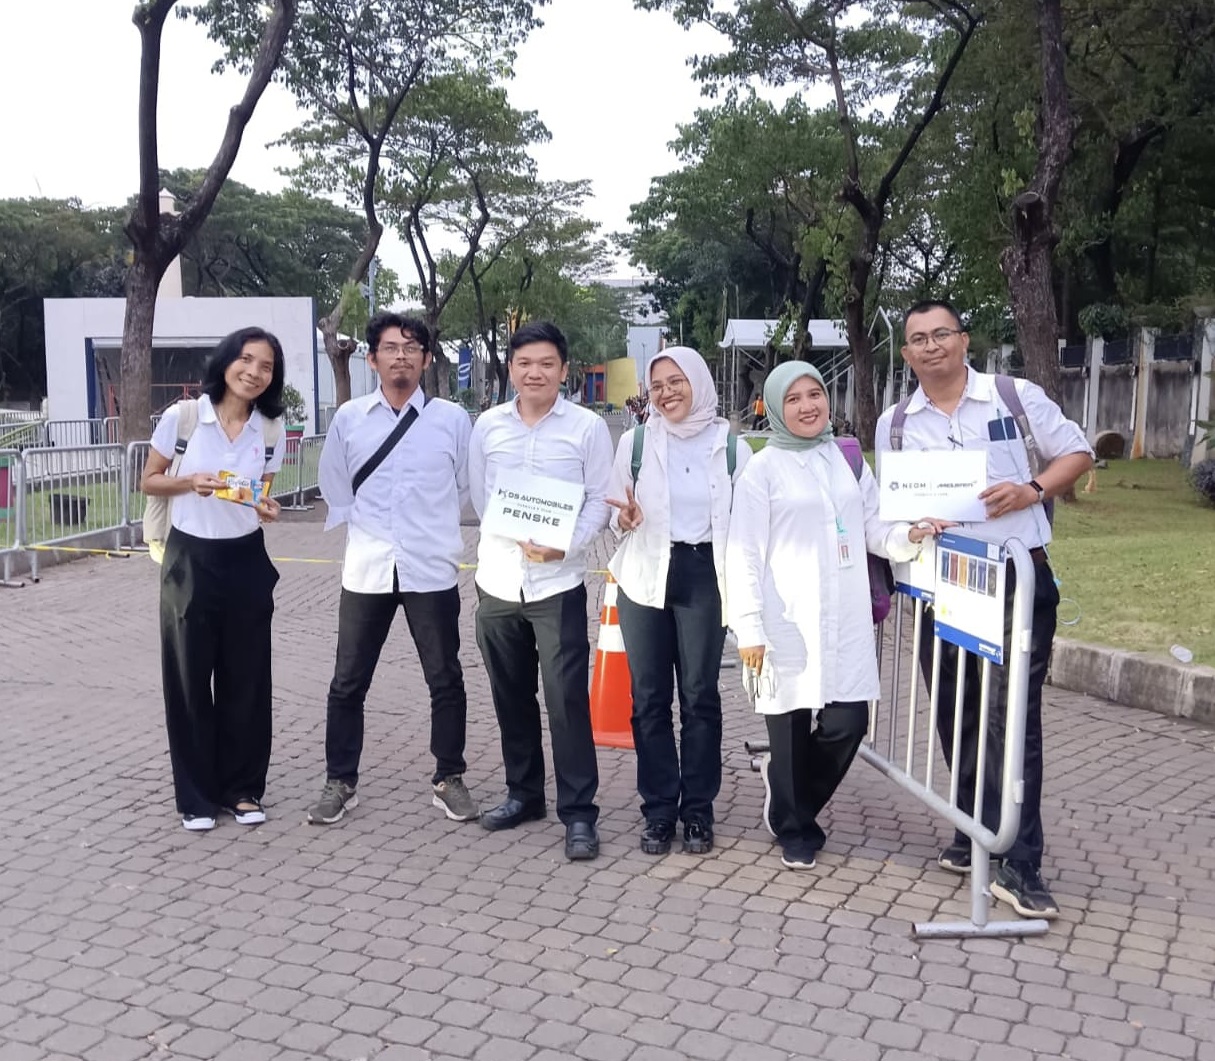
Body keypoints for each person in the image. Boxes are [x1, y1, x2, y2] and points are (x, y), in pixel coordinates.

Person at [875, 299, 1094, 920]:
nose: (929, 346)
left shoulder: (1011, 396)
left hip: (1015, 584)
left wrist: (1031, 489)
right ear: (907, 352)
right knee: (955, 712)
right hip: (939, 588)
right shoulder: (896, 423)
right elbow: (893, 507)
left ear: (964, 339)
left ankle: (1020, 862)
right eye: (916, 338)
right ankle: (971, 830)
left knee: (1012, 720)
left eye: (941, 333)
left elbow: (1076, 453)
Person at [726, 362, 933, 869]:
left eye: (814, 394)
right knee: (791, 726)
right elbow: (743, 553)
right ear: (776, 407)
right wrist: (749, 626)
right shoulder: (762, 469)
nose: (806, 406)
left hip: (843, 614)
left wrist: (909, 536)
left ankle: (786, 791)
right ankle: (795, 825)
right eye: (792, 398)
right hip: (785, 618)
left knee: (848, 720)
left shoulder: (845, 460)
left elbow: (873, 524)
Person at [307, 313, 477, 826]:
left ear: (426, 358)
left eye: (411, 347)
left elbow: (467, 486)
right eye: (389, 347)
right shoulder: (350, 419)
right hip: (367, 569)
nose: (400, 355)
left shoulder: (451, 419)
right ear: (371, 357)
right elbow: (334, 484)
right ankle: (341, 780)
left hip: (430, 568)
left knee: (445, 677)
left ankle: (449, 777)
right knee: (347, 681)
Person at [468, 320, 613, 861]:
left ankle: (579, 814)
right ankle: (523, 794)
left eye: (547, 363)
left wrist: (565, 547)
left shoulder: (586, 429)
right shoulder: (487, 426)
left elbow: (599, 499)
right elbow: (482, 498)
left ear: (564, 370)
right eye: (526, 363)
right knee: (511, 696)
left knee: (566, 702)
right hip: (499, 582)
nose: (536, 372)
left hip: (557, 584)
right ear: (511, 368)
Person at [141, 327, 286, 832]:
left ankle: (242, 789)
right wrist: (189, 482)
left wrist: (268, 508)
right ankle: (197, 796)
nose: (253, 372)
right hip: (189, 559)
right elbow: (149, 478)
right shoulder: (184, 418)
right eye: (246, 360)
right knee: (188, 679)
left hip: (245, 560)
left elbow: (261, 494)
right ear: (226, 362)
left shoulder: (269, 428)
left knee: (246, 679)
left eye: (265, 366)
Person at [606, 347, 750, 855]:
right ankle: (660, 808)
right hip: (646, 574)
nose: (667, 393)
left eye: (677, 381)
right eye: (658, 384)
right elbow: (614, 508)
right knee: (648, 700)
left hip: (704, 576)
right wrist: (622, 519)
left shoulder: (732, 446)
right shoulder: (636, 442)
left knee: (699, 697)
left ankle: (698, 811)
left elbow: (747, 519)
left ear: (699, 382)